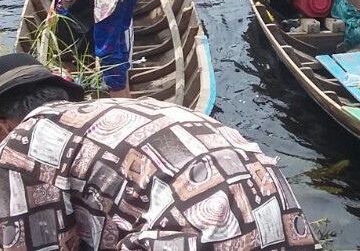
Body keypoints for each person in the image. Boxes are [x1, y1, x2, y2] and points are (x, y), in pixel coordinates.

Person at [0, 52, 321, 250]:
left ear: (3, 126)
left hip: (200, 231)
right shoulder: (106, 113)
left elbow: (35, 241)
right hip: (278, 208)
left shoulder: (25, 141)